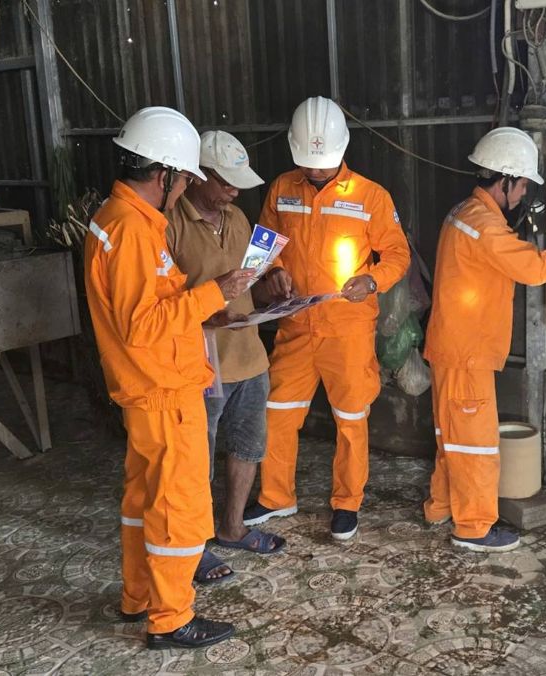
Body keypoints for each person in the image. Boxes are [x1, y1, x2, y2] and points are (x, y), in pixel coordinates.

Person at [84, 107, 250, 650]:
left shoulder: (119, 217)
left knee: (142, 502)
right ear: (164, 175)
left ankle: (138, 599)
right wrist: (214, 293)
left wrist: (203, 306)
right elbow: (142, 324)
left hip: (148, 388)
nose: (183, 189)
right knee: (177, 508)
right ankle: (172, 618)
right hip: (162, 390)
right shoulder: (131, 229)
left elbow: (152, 304)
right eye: (184, 178)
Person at [243, 96, 410, 540]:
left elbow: (397, 254)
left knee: (351, 419)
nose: (315, 171)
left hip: (347, 329)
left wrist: (372, 281)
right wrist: (273, 273)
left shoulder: (371, 196)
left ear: (341, 150)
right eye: (309, 164)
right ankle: (276, 497)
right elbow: (263, 247)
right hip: (295, 325)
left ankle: (346, 503)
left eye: (323, 164)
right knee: (277, 412)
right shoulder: (281, 188)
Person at [421, 127, 546, 552]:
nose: (523, 196)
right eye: (522, 187)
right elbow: (534, 269)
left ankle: (440, 507)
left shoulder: (466, 213)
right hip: (467, 353)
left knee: (450, 437)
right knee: (474, 443)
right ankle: (475, 527)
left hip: (451, 348)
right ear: (505, 180)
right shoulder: (483, 226)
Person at [165, 130, 285, 558]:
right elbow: (160, 302)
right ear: (198, 176)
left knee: (247, 446)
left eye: (238, 181)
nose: (235, 189)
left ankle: (232, 528)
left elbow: (251, 284)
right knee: (195, 460)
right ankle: (192, 546)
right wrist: (208, 314)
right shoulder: (169, 224)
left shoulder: (237, 219)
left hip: (249, 357)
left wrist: (276, 285)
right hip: (201, 362)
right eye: (225, 180)